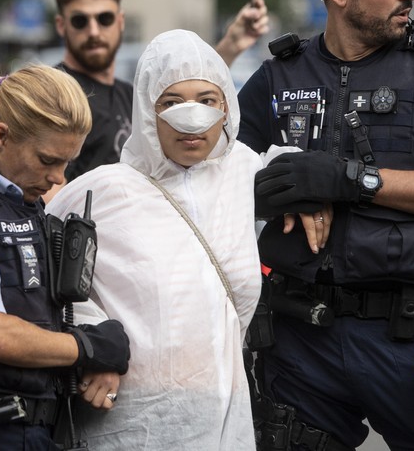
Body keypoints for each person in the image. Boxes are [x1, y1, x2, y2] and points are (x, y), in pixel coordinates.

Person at [239, 0, 414, 450]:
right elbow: (212, 174)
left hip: (412, 340)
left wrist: (352, 180)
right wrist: (278, 186)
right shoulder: (279, 76)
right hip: (301, 342)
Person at [47, 29, 266, 449]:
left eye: (206, 100)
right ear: (147, 112)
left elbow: (291, 172)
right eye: (170, 102)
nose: (191, 115)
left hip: (226, 426)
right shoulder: (103, 192)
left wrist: (312, 199)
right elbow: (41, 278)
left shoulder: (241, 171)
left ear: (226, 105)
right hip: (133, 426)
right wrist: (93, 349)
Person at [0, 65, 131, 450]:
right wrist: (88, 348)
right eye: (47, 160)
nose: (58, 178)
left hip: (30, 426)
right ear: (2, 137)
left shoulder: (19, 199)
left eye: (67, 163)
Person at [51, 0, 270, 185]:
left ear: (120, 21)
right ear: (61, 25)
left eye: (104, 18)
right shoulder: (53, 94)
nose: (94, 31)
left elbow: (189, 90)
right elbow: (47, 186)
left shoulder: (129, 94)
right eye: (80, 21)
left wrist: (231, 45)